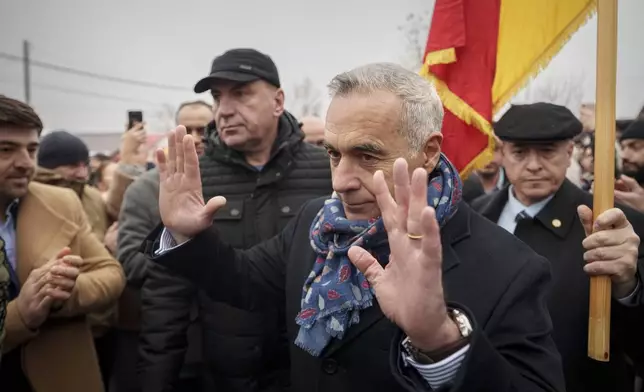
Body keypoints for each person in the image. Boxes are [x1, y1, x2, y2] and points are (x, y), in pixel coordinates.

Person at [146, 63, 567, 391]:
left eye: (367, 156)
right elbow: (243, 281)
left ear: (429, 151)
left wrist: (440, 342)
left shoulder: (511, 268)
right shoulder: (316, 222)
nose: (340, 181)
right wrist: (187, 235)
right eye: (333, 154)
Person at [137, 51, 332, 392]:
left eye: (240, 93)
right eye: (217, 97)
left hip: (312, 370)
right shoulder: (194, 180)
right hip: (227, 376)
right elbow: (166, 298)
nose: (224, 109)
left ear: (278, 100)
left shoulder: (326, 171)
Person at [471, 102, 644, 392]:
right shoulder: (475, 216)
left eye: (547, 151)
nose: (534, 164)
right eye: (520, 152)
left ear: (569, 153)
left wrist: (628, 287)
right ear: (502, 154)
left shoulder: (618, 226)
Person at [0, 95, 125, 392]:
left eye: (32, 149)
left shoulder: (59, 202)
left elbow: (111, 273)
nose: (25, 163)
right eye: (6, 150)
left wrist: (60, 292)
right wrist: (21, 315)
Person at [111, 101, 215, 392]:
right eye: (188, 129)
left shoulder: (233, 182)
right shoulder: (144, 189)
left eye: (204, 129)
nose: (196, 137)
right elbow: (131, 263)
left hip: (231, 344)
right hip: (166, 338)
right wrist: (177, 235)